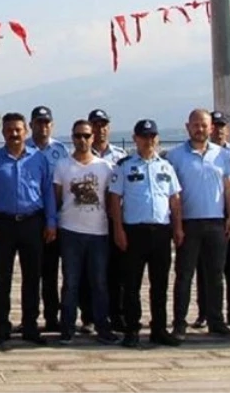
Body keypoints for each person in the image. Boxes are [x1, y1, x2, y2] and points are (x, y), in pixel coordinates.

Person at [0, 111, 57, 347]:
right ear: (3, 132)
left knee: (32, 277)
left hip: (33, 222)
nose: (14, 134)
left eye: (18, 130)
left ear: (26, 131)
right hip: (3, 224)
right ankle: (2, 327)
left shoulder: (39, 159)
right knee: (1, 278)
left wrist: (51, 221)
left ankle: (30, 326)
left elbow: (48, 193)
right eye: (10, 130)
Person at [108, 119, 182, 348]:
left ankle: (159, 329)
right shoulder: (125, 165)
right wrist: (118, 230)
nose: (148, 141)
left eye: (152, 137)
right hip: (134, 231)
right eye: (143, 136)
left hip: (160, 231)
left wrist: (178, 228)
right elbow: (115, 200)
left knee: (159, 285)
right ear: (135, 139)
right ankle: (131, 329)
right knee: (131, 284)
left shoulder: (166, 167)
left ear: (157, 138)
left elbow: (175, 200)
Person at [168, 109, 230, 340]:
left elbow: (228, 187)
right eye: (195, 125)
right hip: (189, 223)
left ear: (211, 128)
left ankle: (216, 321)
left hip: (216, 222)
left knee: (215, 275)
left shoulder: (222, 155)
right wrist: (176, 225)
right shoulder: (176, 156)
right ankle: (179, 323)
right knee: (184, 275)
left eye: (204, 125)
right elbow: (173, 194)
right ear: (188, 127)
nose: (200, 129)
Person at [52, 120, 118, 346]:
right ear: (72, 137)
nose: (83, 140)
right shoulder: (62, 166)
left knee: (99, 282)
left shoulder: (105, 167)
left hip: (98, 232)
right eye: (78, 136)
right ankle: (67, 327)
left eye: (87, 136)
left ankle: (102, 326)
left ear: (93, 137)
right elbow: (57, 199)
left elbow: (111, 201)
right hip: (70, 231)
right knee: (70, 282)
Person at [28, 105, 69, 334]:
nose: (42, 126)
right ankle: (30, 317)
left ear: (51, 125)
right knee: (33, 272)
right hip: (33, 218)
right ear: (31, 125)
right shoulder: (24, 149)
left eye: (46, 122)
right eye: (38, 122)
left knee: (55, 271)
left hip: (59, 218)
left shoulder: (61, 151)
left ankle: (53, 316)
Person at [87, 108, 126, 333]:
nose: (100, 130)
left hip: (113, 219)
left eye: (103, 125)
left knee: (116, 270)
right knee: (89, 270)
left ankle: (117, 314)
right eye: (95, 125)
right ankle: (90, 315)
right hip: (89, 219)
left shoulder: (120, 156)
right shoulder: (80, 156)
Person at [204, 110, 230, 328]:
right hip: (209, 217)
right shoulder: (206, 153)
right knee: (206, 269)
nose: (218, 130)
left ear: (227, 130)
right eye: (215, 126)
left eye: (222, 126)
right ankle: (205, 312)